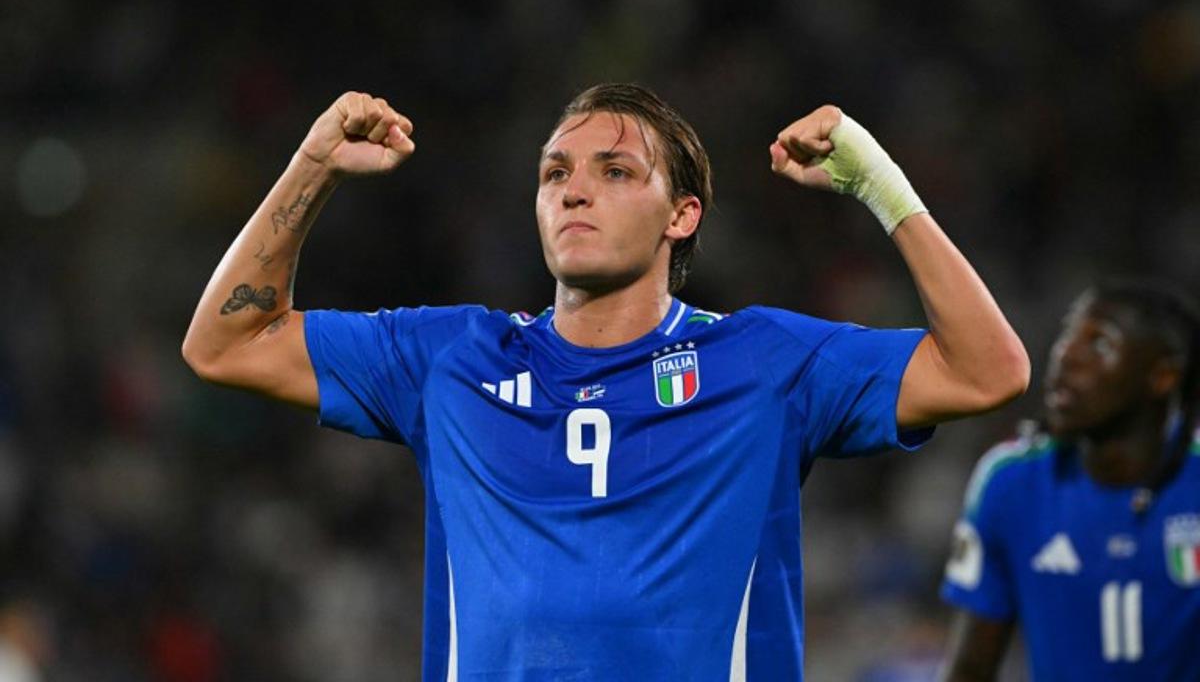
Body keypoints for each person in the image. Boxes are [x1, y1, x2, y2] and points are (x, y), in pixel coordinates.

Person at [183, 84, 1029, 681]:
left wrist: (881, 186)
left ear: (681, 215)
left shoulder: (762, 364)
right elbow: (227, 343)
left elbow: (988, 368)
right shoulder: (454, 359)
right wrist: (313, 167)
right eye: (555, 173)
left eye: (615, 172)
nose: (575, 190)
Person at [940, 280, 1200, 681]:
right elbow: (970, 669)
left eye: (1099, 343)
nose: (1066, 355)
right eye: (1068, 335)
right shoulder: (1011, 483)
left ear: (1162, 376)